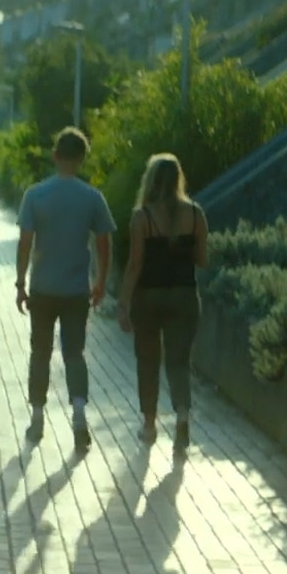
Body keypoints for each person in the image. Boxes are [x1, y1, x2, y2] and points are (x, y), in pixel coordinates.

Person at [15, 126, 115, 450]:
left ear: (55, 155)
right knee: (75, 354)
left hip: (43, 289)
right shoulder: (92, 197)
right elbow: (104, 244)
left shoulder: (35, 194)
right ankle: (79, 416)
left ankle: (38, 419)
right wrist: (100, 281)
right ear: (82, 159)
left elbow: (25, 243)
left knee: (40, 353)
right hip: (76, 291)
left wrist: (20, 282)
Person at [116, 153, 208, 457]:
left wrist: (123, 303)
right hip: (184, 295)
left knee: (148, 361)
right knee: (179, 362)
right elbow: (202, 260)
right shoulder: (196, 214)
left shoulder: (142, 217)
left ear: (152, 180)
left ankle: (149, 424)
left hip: (148, 297)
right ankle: (182, 416)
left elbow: (134, 265)